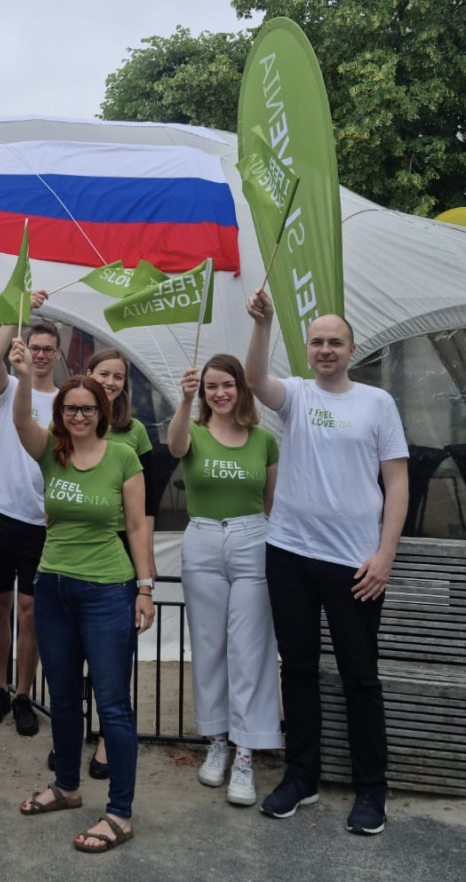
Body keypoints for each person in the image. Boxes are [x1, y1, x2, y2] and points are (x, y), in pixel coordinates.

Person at [245, 289, 409, 835]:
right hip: (290, 553)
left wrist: (385, 554)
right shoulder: (294, 394)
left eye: (335, 342)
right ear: (308, 350)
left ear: (352, 349)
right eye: (316, 342)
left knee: (360, 675)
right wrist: (263, 326)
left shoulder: (377, 404)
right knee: (299, 670)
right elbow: (254, 381)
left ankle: (371, 789)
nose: (325, 350)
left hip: (355, 565)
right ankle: (301, 778)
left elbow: (397, 481)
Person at [10, 338, 155, 854]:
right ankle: (68, 787)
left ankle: (119, 812)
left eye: (87, 408)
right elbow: (20, 418)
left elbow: (138, 527)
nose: (78, 415)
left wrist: (145, 587)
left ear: (103, 410)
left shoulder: (123, 456)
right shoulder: (53, 450)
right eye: (70, 408)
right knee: (65, 699)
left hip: (107, 591)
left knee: (113, 706)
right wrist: (24, 372)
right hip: (52, 587)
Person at [166, 354, 281, 806]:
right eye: (211, 386)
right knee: (209, 644)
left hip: (253, 537)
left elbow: (271, 501)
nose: (220, 393)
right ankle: (216, 742)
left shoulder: (264, 440)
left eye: (227, 385)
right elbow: (174, 447)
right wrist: (183, 398)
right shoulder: (192, 432)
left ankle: (247, 751)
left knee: (250, 648)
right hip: (204, 538)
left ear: (241, 389)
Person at [0, 299, 57, 738]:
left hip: (41, 520)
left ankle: (24, 693)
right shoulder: (8, 387)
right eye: (36, 346)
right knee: (0, 604)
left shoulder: (68, 400)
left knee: (30, 611)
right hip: (0, 512)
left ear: (58, 354)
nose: (41, 354)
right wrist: (19, 310)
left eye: (49, 348)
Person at [81, 347, 156, 776]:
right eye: (103, 374)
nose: (111, 382)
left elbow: (144, 513)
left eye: (118, 377)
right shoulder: (69, 421)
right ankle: (72, 731)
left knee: (112, 656)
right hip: (76, 548)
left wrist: (144, 569)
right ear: (87, 374)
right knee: (72, 656)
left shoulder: (136, 433)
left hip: (119, 556)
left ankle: (110, 738)